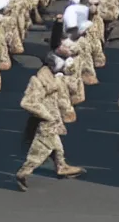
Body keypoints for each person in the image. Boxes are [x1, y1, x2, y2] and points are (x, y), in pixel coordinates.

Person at [16, 53, 85, 191]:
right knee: (40, 150)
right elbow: (27, 102)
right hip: (46, 123)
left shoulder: (55, 77)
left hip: (53, 120)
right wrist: (47, 116)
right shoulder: (38, 81)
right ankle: (23, 173)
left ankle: (62, 166)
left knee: (57, 147)